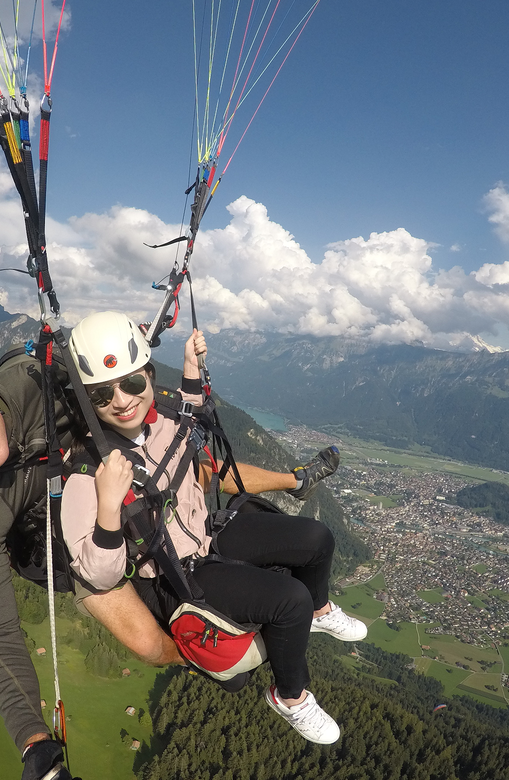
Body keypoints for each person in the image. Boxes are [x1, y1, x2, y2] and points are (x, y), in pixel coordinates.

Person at [0, 335, 184, 780]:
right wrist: (35, 743)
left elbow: (102, 366)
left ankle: (283, 488)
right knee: (149, 645)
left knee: (189, 470)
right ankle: (196, 655)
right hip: (58, 539)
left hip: (107, 473)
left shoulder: (33, 380)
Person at [60, 312, 367, 745]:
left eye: (131, 383)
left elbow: (192, 416)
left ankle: (321, 612)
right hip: (176, 575)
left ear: (149, 377)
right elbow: (99, 575)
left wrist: (191, 366)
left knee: (317, 539)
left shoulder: (162, 420)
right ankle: (291, 697)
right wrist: (108, 507)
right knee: (289, 600)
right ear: (87, 402)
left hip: (207, 535)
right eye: (102, 393)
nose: (122, 399)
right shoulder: (85, 474)